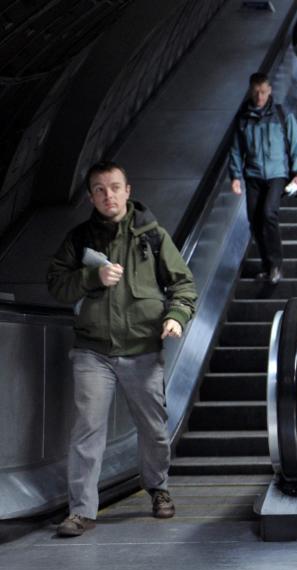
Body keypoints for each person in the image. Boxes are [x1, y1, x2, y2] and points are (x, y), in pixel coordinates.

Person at [47, 161, 197, 537]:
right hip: (93, 351)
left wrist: (176, 315)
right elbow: (56, 285)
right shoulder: (80, 239)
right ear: (90, 196)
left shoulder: (152, 235)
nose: (108, 195)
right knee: (87, 430)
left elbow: (183, 285)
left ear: (128, 190)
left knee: (154, 430)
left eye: (114, 187)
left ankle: (158, 488)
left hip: (143, 350)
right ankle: (81, 511)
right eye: (99, 189)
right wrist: (90, 277)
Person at [228, 72, 297, 285]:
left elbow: (296, 144)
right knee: (254, 220)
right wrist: (235, 176)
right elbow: (236, 150)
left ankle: (276, 265)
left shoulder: (281, 114)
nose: (259, 97)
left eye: (263, 92)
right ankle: (266, 265)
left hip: (277, 174)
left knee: (268, 214)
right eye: (255, 92)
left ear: (269, 90)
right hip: (253, 175)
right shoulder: (244, 118)